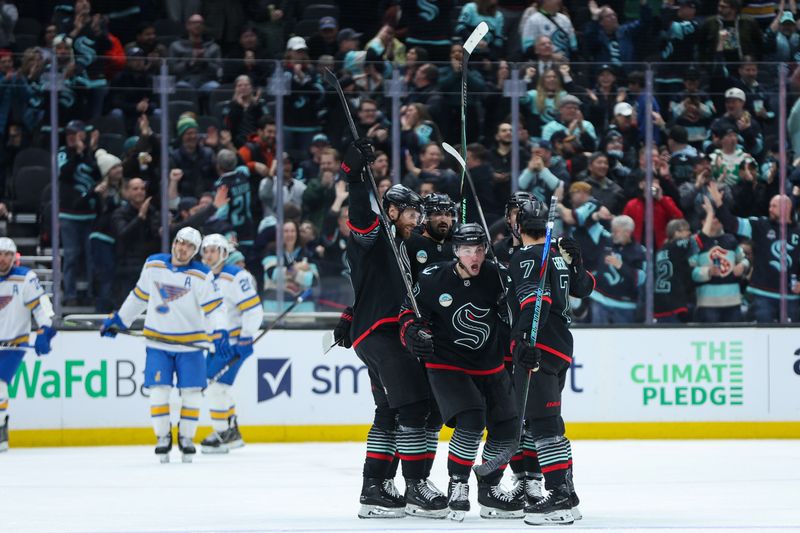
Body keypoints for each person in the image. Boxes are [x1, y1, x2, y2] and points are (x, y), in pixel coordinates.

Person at [341, 140, 444, 518]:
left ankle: (376, 487)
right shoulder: (379, 234)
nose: (417, 218)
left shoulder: (404, 245)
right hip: (381, 335)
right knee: (415, 405)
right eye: (411, 212)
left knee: (388, 410)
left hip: (380, 332)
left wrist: (352, 309)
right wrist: (353, 178)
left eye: (419, 213)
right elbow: (360, 221)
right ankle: (416, 485)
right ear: (392, 210)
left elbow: (377, 285)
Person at [399, 223, 523, 520]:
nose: (475, 256)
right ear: (456, 252)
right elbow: (407, 314)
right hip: (447, 363)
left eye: (479, 249)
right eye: (468, 250)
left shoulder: (498, 276)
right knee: (472, 418)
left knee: (507, 425)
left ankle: (490, 487)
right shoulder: (432, 278)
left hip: (490, 364)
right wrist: (413, 334)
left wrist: (521, 340)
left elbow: (518, 312)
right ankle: (458, 483)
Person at [100, 227, 233, 463]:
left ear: (195, 251)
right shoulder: (153, 265)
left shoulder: (203, 275)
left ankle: (186, 437)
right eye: (180, 243)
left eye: (189, 247)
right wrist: (121, 319)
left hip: (191, 346)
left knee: (192, 395)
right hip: (158, 342)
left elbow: (215, 308)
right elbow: (139, 295)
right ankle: (163, 437)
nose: (182, 249)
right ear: (174, 242)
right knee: (158, 392)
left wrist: (220, 330)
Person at [507, 200, 594, 525]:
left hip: (540, 347)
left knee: (542, 424)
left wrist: (521, 341)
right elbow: (580, 289)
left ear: (518, 227)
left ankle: (557, 495)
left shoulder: (525, 256)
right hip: (560, 346)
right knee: (552, 422)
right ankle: (567, 494)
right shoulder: (555, 256)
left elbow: (535, 303)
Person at [198, 234, 263, 453]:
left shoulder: (236, 276)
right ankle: (231, 432)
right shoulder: (204, 277)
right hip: (214, 344)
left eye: (213, 250)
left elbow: (253, 310)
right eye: (205, 250)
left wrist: (246, 337)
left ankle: (222, 434)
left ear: (224, 253)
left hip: (233, 343)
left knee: (215, 388)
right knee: (221, 388)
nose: (208, 255)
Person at [711, 184, 800, 322]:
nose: (770, 209)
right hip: (763, 295)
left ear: (786, 208)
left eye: (774, 206)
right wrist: (719, 204)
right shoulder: (760, 225)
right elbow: (731, 223)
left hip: (791, 297)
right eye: (770, 206)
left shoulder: (798, 232)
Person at [0, 238, 57, 452]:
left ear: (14, 257)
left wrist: (45, 330)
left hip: (13, 346)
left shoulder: (25, 278)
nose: (2, 259)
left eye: (7, 254)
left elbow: (41, 308)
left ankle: (0, 428)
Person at [690, 196, 749, 322]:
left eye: (718, 218)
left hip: (733, 301)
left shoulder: (731, 239)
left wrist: (742, 266)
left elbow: (745, 260)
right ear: (703, 221)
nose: (717, 221)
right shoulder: (696, 241)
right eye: (713, 217)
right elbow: (690, 271)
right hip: (708, 303)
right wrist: (707, 272)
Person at [588, 215, 646, 324]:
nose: (613, 234)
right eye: (612, 230)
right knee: (598, 337)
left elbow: (641, 279)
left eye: (616, 231)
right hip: (601, 299)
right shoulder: (606, 241)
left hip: (624, 305)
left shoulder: (640, 252)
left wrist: (621, 266)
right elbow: (588, 226)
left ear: (627, 232)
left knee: (624, 339)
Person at [654, 219, 694, 323]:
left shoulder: (661, 250)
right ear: (676, 233)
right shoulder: (677, 245)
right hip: (674, 301)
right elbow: (700, 238)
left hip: (660, 301)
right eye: (686, 230)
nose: (689, 233)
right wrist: (710, 214)